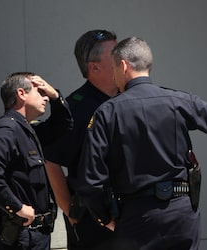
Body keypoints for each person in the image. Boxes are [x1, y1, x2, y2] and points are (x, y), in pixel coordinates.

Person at [74, 36, 207, 250]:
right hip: (181, 214)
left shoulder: (107, 112)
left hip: (136, 217)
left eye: (113, 68)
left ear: (123, 65)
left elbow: (91, 180)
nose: (113, 75)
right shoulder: (179, 101)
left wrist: (105, 218)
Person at [0, 72, 73, 250]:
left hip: (37, 235)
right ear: (21, 94)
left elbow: (63, 125)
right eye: (40, 92)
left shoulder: (27, 130)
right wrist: (17, 207)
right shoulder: (7, 130)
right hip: (20, 238)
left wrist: (55, 96)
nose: (45, 97)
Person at [44, 30, 117, 250]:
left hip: (129, 215)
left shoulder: (131, 97)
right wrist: (70, 211)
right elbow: (51, 159)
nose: (124, 58)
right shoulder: (75, 108)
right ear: (94, 67)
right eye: (115, 54)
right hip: (92, 219)